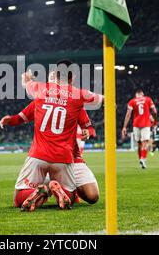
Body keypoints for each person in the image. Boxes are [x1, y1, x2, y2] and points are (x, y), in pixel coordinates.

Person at [8, 60, 102, 211]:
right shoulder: (76, 97)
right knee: (71, 197)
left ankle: (43, 189)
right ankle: (59, 189)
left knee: (92, 196)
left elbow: (89, 127)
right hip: (65, 157)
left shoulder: (41, 92)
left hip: (50, 156)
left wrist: (88, 132)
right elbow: (98, 101)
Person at [1, 101, 100, 205]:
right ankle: (66, 191)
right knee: (90, 196)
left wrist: (10, 120)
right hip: (68, 159)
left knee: (19, 199)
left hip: (42, 157)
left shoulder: (41, 98)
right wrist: (89, 132)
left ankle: (46, 190)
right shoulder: (74, 102)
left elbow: (20, 118)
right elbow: (89, 128)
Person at [121, 89, 157, 169]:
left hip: (136, 124)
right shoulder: (148, 99)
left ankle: (141, 161)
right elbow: (154, 111)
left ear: (136, 95)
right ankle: (143, 159)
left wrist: (124, 127)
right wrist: (154, 121)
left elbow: (128, 114)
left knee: (139, 144)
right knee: (145, 143)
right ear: (142, 94)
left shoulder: (132, 101)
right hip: (146, 124)